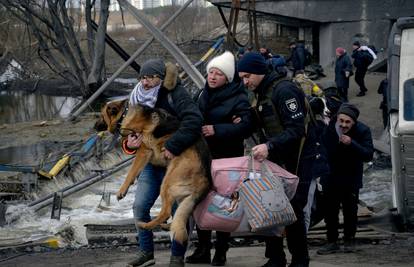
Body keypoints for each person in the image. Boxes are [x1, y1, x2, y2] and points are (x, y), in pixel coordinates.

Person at [238, 52, 329, 267]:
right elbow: (256, 123)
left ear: (259, 71)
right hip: (277, 158)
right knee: (270, 206)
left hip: (300, 157)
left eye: (247, 76)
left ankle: (300, 259)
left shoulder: (284, 90)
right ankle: (276, 258)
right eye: (242, 77)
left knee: (294, 209)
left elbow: (297, 129)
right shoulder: (259, 92)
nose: (245, 81)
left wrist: (270, 146)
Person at [124, 58, 204, 267]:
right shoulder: (137, 98)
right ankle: (146, 253)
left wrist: (173, 146)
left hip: (177, 162)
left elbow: (194, 120)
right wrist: (129, 144)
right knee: (140, 206)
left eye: (150, 78)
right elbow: (132, 131)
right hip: (152, 162)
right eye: (142, 77)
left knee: (178, 210)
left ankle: (177, 257)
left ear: (160, 77)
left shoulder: (176, 93)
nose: (145, 82)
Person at [185, 51, 252, 266]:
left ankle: (221, 252)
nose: (212, 76)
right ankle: (202, 249)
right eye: (211, 72)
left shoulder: (239, 97)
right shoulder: (201, 94)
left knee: (224, 204)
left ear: (228, 78)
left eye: (219, 74)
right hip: (203, 157)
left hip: (227, 158)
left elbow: (245, 126)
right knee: (202, 201)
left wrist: (218, 129)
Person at [318, 103, 374, 255]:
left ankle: (349, 240)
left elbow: (368, 154)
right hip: (330, 175)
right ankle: (332, 241)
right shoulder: (329, 127)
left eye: (347, 122)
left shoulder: (363, 130)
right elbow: (321, 147)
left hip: (351, 176)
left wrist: (352, 143)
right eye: (341, 121)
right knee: (330, 211)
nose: (343, 125)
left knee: (350, 211)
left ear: (354, 122)